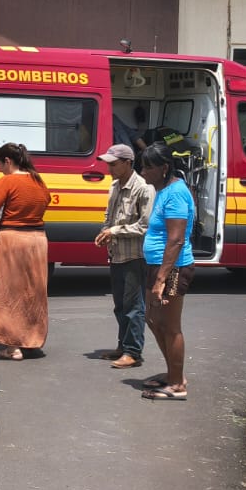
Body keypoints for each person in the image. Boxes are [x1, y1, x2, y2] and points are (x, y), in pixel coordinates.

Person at [0, 142, 51, 360]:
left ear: (8, 161)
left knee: (6, 292)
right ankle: (31, 340)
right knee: (33, 292)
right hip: (37, 241)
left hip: (11, 240)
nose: (0, 168)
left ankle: (12, 346)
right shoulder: (39, 181)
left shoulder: (7, 182)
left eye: (0, 163)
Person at [138, 144, 197, 400]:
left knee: (170, 326)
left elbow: (175, 240)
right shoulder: (163, 191)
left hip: (173, 269)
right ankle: (172, 373)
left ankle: (177, 384)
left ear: (163, 168)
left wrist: (162, 278)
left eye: (148, 168)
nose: (143, 172)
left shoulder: (176, 194)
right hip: (157, 266)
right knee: (153, 320)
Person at [93, 143, 154, 368]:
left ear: (128, 163)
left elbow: (145, 226)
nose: (109, 168)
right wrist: (104, 232)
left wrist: (114, 231)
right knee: (120, 305)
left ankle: (133, 352)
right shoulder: (115, 185)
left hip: (135, 255)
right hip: (117, 254)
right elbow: (109, 215)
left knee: (134, 306)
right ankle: (123, 346)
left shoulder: (143, 188)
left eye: (114, 164)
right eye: (108, 163)